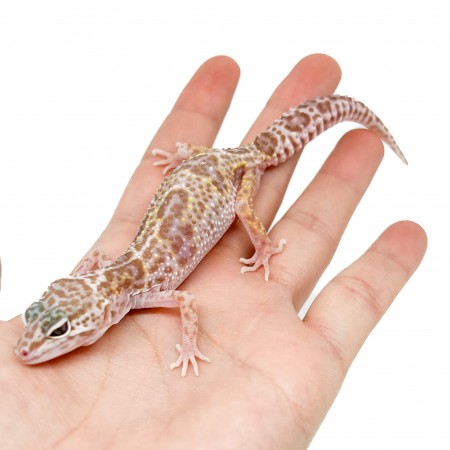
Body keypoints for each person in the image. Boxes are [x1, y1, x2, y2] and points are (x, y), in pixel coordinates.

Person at [0, 54, 426, 449]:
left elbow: (185, 301)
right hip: (205, 166)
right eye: (47, 321)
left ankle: (262, 232)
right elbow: (107, 272)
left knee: (244, 209)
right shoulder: (119, 281)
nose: (29, 347)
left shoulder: (141, 285)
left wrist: (257, 249)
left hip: (232, 169)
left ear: (103, 311)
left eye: (57, 332)